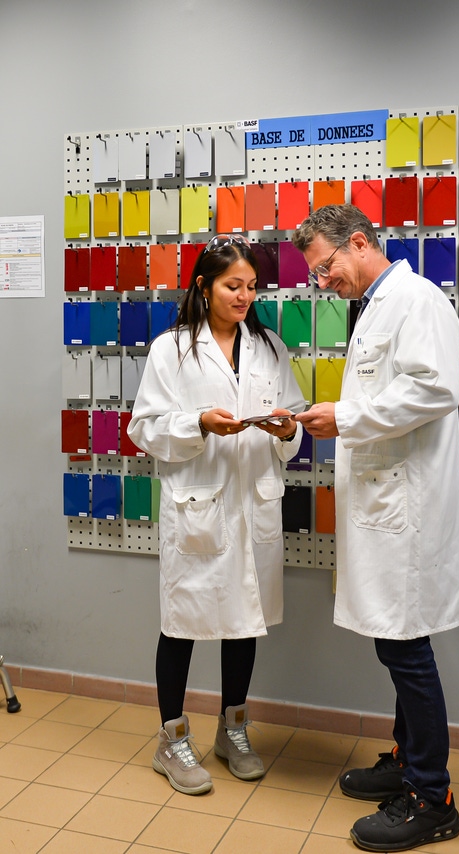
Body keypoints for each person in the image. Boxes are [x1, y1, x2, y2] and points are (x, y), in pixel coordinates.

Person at [292, 205, 459, 851]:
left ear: (359, 242)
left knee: (406, 649)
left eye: (325, 267)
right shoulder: (372, 307)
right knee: (395, 642)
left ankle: (432, 796)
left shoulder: (416, 301)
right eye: (316, 275)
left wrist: (345, 418)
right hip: (384, 503)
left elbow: (434, 390)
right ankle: (405, 759)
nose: (323, 282)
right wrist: (340, 416)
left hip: (407, 511)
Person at [128, 234, 304, 795]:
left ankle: (233, 730)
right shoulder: (171, 349)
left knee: (244, 621)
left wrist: (288, 430)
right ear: (204, 286)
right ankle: (171, 739)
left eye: (251, 286)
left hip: (254, 505)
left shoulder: (270, 347)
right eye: (233, 286)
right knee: (181, 624)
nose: (245, 296)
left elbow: (295, 423)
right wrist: (198, 424)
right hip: (198, 508)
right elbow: (143, 429)